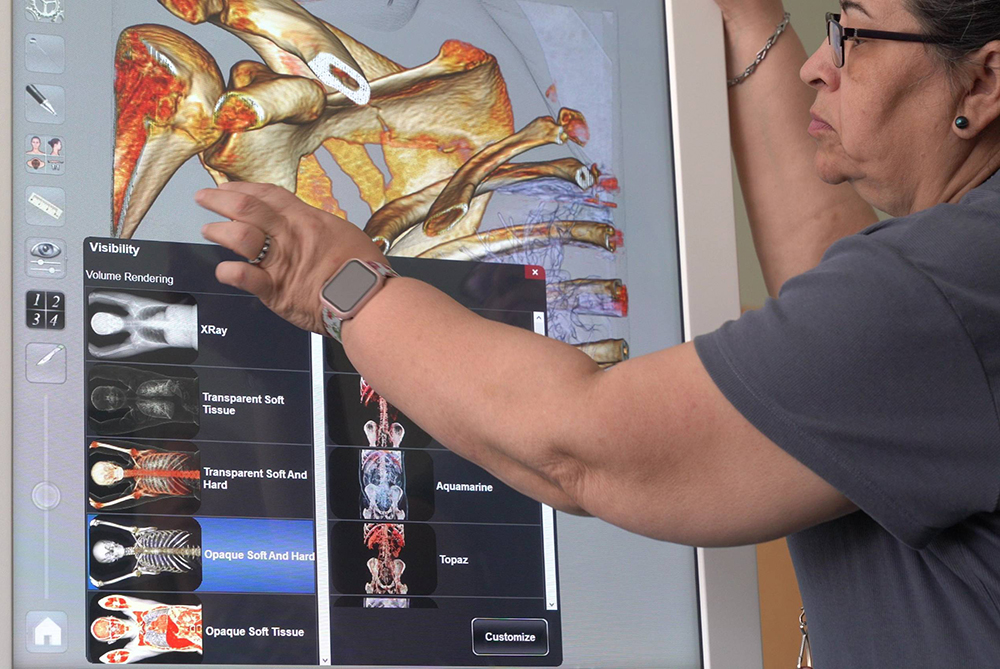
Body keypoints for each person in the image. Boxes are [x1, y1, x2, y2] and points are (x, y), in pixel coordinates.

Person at [194, 0, 1000, 664]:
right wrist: (751, 23)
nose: (818, 66)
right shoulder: (954, 287)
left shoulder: (944, 289)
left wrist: (342, 285)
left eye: (853, 34)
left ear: (985, 78)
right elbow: (837, 299)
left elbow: (578, 446)